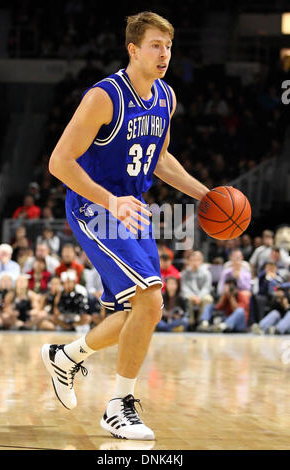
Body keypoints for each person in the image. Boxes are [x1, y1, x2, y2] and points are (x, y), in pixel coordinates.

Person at [41, 11, 209, 441]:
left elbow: (161, 159)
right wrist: (110, 202)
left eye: (168, 46)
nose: (164, 53)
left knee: (138, 312)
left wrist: (204, 193)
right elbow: (59, 162)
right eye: (155, 45)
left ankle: (65, 356)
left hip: (132, 211)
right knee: (151, 299)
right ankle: (119, 406)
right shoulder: (105, 96)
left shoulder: (166, 98)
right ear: (133, 49)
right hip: (94, 206)